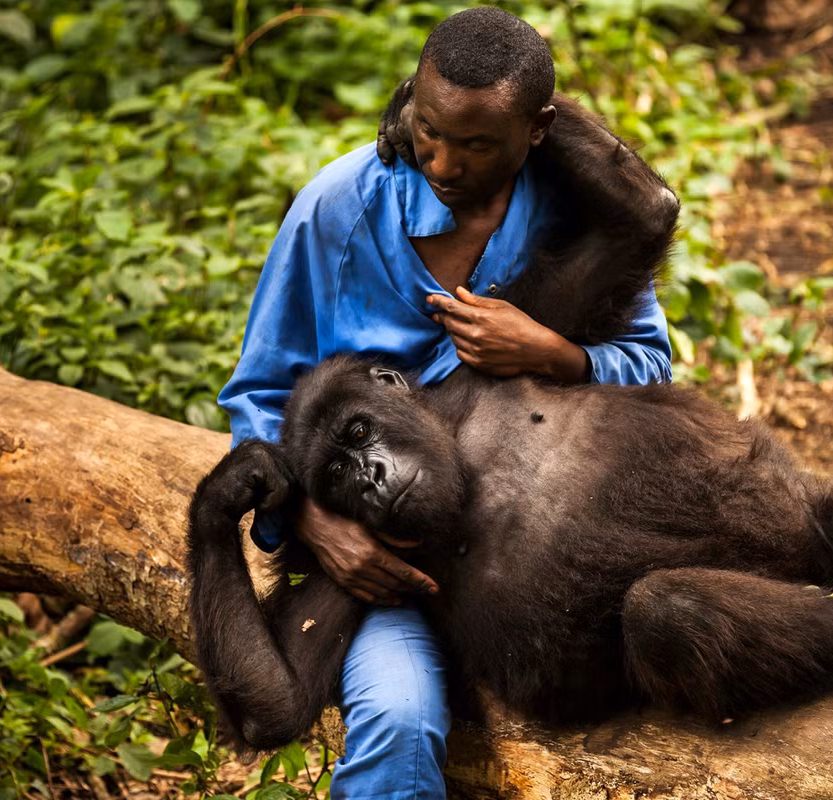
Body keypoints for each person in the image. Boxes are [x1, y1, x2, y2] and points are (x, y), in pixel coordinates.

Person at [217, 7, 673, 798]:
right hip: (385, 567)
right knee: (398, 722)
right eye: (428, 129)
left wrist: (552, 353)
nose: (442, 162)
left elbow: (650, 366)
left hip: (540, 539)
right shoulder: (340, 209)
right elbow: (260, 396)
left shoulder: (567, 206)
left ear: (537, 132)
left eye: (476, 144)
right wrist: (310, 522)